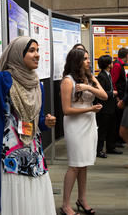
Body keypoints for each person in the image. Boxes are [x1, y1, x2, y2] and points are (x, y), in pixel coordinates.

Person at [0, 31, 56, 215]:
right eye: (31, 50)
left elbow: (37, 121)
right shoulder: (2, 80)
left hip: (35, 157)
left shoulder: (38, 86)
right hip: (10, 161)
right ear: (17, 54)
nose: (37, 54)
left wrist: (46, 122)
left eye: (38, 50)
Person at [60, 49, 107, 215]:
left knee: (84, 164)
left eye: (88, 58)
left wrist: (89, 86)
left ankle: (82, 199)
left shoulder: (89, 78)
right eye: (85, 59)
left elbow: (104, 96)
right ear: (77, 61)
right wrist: (90, 109)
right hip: (75, 125)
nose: (89, 61)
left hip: (89, 123)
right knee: (74, 165)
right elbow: (66, 110)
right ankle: (65, 204)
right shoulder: (68, 80)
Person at [95, 55, 121, 158]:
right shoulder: (101, 76)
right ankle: (99, 150)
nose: (113, 64)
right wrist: (113, 93)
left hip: (111, 107)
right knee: (103, 130)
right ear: (108, 64)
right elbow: (102, 92)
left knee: (111, 128)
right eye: (111, 62)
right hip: (105, 108)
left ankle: (111, 147)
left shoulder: (108, 74)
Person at [111, 47, 128, 148]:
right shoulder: (117, 65)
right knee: (118, 121)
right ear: (126, 55)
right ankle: (117, 140)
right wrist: (116, 96)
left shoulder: (120, 64)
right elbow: (113, 81)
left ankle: (119, 140)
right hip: (119, 97)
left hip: (122, 96)